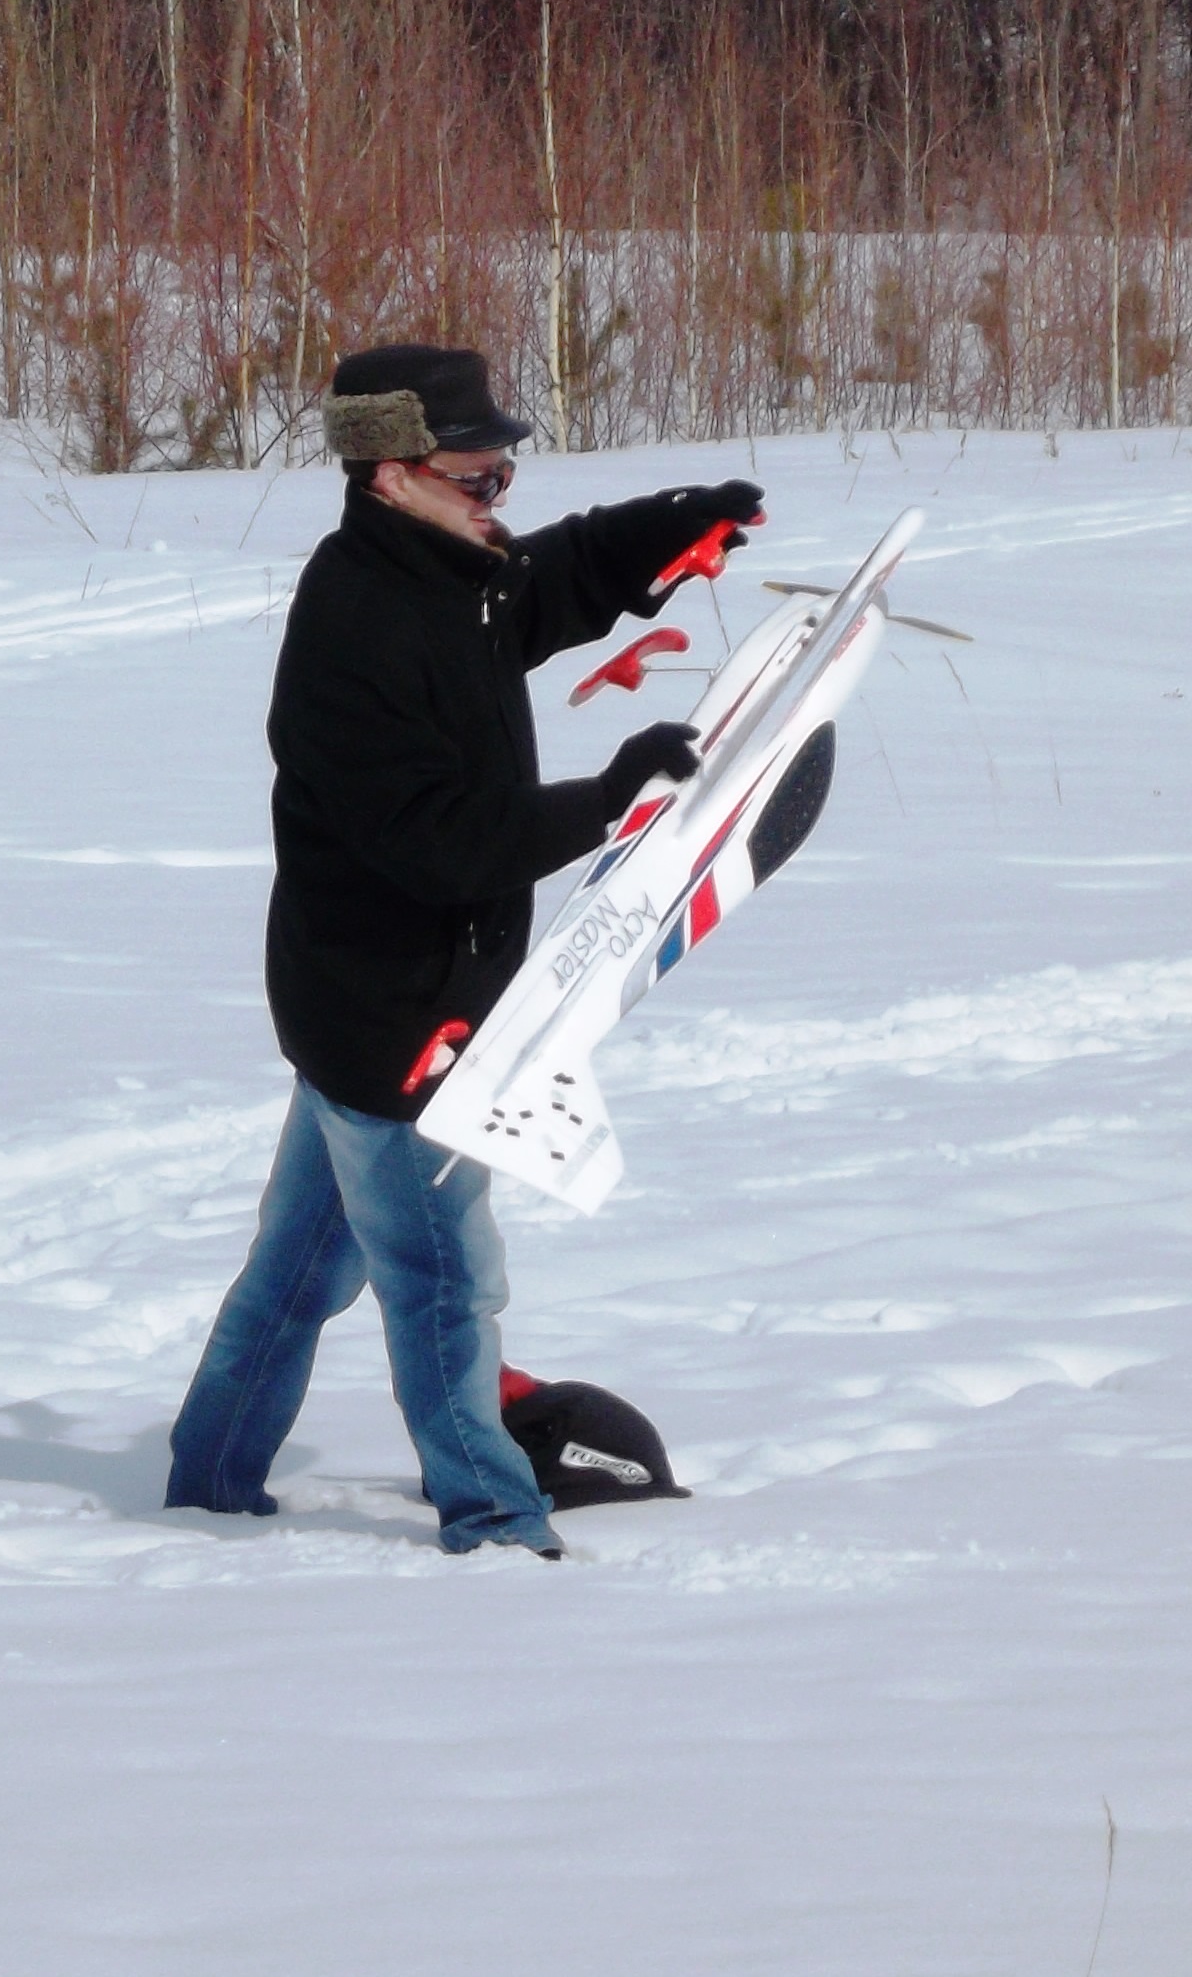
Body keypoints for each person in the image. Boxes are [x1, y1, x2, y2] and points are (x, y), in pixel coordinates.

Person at [164, 344, 764, 1557]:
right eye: (476, 476)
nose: (498, 494)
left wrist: (671, 524)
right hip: (393, 1015)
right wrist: (606, 798)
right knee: (444, 1284)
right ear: (389, 472)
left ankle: (209, 1479)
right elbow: (436, 842)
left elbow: (545, 581)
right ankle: (493, 1520)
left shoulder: (447, 572)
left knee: (297, 1275)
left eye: (504, 472)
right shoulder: (354, 625)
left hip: (368, 1003)